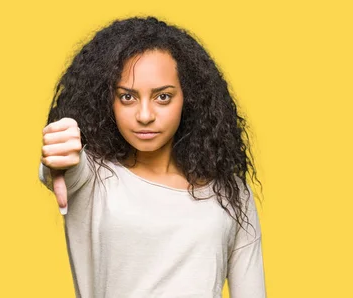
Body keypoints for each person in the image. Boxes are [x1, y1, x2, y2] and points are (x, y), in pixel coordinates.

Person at [38, 16, 267, 297]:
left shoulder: (231, 193)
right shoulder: (93, 177)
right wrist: (59, 154)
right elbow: (64, 168)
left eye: (162, 97)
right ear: (107, 100)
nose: (144, 116)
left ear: (188, 98)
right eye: (127, 97)